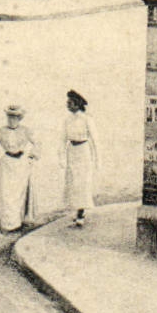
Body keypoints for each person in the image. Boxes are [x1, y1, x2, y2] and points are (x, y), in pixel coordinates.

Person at [0, 104, 39, 233]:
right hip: (6, 164)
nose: (11, 119)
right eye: (9, 117)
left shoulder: (25, 131)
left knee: (19, 194)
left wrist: (32, 155)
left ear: (19, 118)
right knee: (7, 194)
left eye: (15, 117)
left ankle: (18, 222)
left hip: (21, 165)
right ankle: (8, 224)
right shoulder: (1, 131)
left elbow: (37, 143)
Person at [60, 90, 98, 227]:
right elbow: (63, 138)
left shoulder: (87, 119)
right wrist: (61, 156)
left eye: (70, 103)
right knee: (72, 182)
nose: (67, 105)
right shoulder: (67, 120)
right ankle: (76, 210)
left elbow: (95, 140)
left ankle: (81, 213)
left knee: (82, 182)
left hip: (83, 151)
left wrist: (97, 159)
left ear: (77, 104)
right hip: (72, 151)